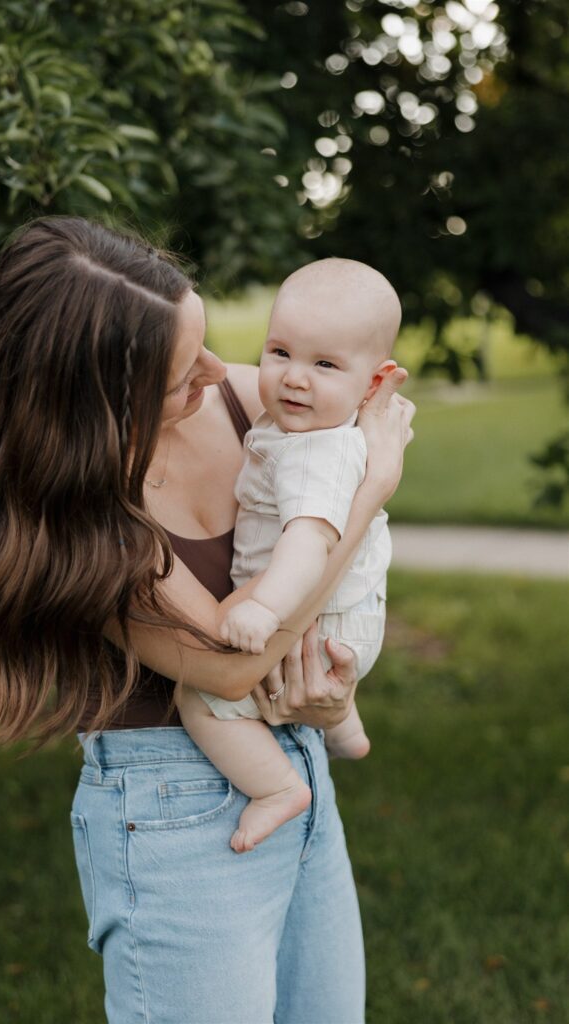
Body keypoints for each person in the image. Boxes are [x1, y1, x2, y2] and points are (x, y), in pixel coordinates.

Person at [0, 217, 414, 1024]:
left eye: (205, 341)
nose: (219, 371)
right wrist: (368, 499)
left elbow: (358, 401)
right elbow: (228, 669)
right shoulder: (74, 524)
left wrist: (330, 702)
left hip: (296, 772)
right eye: (178, 373)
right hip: (176, 817)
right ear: (95, 409)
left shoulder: (232, 398)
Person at [179, 258, 400, 853]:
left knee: (197, 700)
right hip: (339, 620)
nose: (294, 378)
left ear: (375, 383)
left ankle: (278, 788)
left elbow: (310, 541)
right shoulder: (305, 427)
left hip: (312, 621)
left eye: (325, 364)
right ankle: (344, 724)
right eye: (280, 352)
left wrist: (265, 609)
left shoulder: (314, 451)